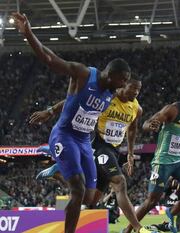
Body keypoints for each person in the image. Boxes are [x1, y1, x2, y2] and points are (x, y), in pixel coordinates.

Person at [12, 12, 131, 233]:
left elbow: (76, 104)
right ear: (112, 74)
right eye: (123, 80)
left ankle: (58, 169)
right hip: (65, 135)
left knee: (90, 197)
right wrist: (28, 33)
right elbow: (49, 58)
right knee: (77, 188)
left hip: (84, 141)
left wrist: (51, 109)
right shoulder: (83, 74)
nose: (124, 86)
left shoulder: (110, 94)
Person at [30, 77, 156, 233]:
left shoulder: (137, 108)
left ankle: (59, 175)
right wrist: (50, 111)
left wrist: (130, 154)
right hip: (99, 146)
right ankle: (137, 228)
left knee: (90, 201)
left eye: (139, 89)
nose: (136, 92)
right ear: (124, 85)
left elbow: (132, 130)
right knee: (119, 182)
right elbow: (74, 101)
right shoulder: (108, 97)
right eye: (133, 88)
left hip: (114, 151)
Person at [124, 86, 180, 233]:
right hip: (163, 162)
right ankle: (128, 229)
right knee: (152, 201)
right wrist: (150, 125)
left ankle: (173, 211)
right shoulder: (173, 110)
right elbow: (146, 123)